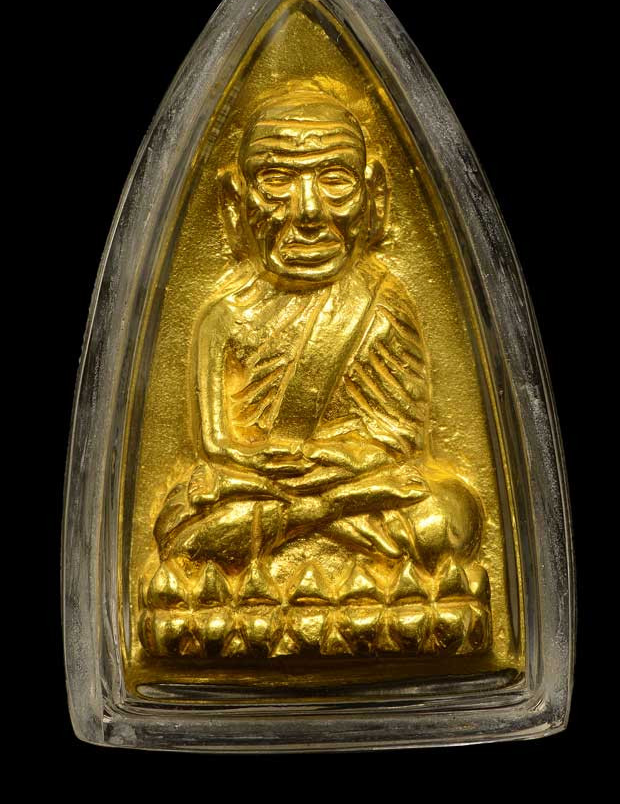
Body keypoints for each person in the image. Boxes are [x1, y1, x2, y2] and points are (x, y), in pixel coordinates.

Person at [141, 82, 487, 657]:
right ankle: (326, 537)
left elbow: (400, 443)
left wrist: (347, 463)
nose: (307, 211)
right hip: (270, 488)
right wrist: (285, 479)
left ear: (374, 195)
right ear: (234, 201)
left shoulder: (382, 302)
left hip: (349, 487)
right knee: (180, 522)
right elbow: (216, 446)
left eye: (335, 180)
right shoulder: (224, 316)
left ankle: (292, 553)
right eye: (277, 181)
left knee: (448, 515)